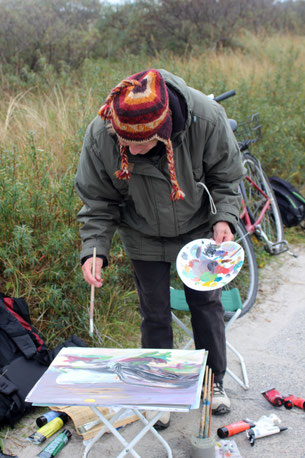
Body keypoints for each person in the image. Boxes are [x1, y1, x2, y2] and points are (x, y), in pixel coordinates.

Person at [75, 69, 246, 428]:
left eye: (140, 143)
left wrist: (224, 220)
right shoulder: (103, 133)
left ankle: (212, 383)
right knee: (154, 312)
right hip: (142, 231)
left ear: (164, 130)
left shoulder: (205, 118)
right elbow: (97, 200)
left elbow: (226, 177)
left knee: (206, 304)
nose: (131, 150)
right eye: (125, 142)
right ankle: (161, 390)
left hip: (198, 226)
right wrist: (94, 250)